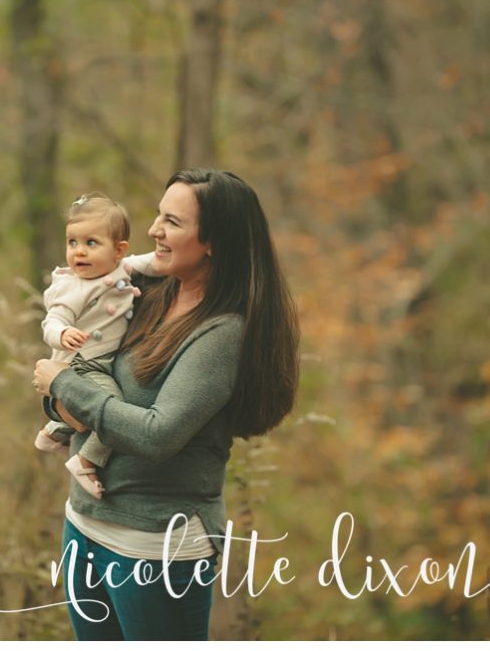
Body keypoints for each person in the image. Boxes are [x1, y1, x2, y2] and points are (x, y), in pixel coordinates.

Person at [30, 169, 300, 641]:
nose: (153, 230)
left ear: (214, 241)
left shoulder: (221, 334)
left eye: (172, 221)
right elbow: (70, 385)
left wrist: (64, 388)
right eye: (158, 215)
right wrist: (60, 400)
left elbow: (155, 435)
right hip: (84, 524)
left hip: (155, 545)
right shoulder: (142, 293)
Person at [32, 192, 166, 496]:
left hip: (102, 360)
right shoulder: (71, 286)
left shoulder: (121, 269)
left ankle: (53, 433)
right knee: (113, 412)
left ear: (118, 250)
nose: (79, 252)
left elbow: (153, 263)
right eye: (72, 243)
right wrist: (62, 333)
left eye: (91, 243)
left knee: (101, 405)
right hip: (82, 362)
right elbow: (51, 321)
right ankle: (86, 459)